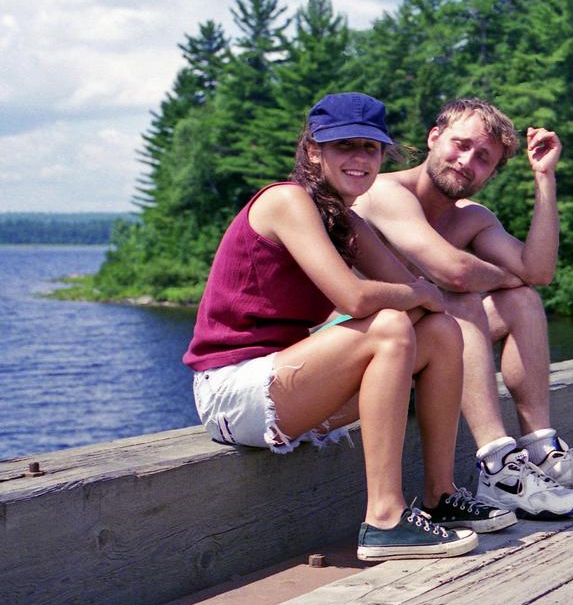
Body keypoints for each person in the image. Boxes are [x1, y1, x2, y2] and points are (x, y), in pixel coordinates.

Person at [183, 92, 515, 563]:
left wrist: (419, 296)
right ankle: (384, 519)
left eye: (371, 148)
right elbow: (355, 297)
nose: (360, 159)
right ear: (314, 150)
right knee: (389, 327)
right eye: (345, 146)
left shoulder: (347, 221)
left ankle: (441, 497)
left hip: (290, 386)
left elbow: (427, 299)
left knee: (441, 333)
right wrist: (415, 295)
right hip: (232, 392)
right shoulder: (287, 201)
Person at [352, 98, 573, 519]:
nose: (466, 161)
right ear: (434, 138)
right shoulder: (384, 192)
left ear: (491, 174)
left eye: (483, 158)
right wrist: (502, 275)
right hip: (364, 353)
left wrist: (544, 177)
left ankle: (541, 452)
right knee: (461, 300)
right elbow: (455, 272)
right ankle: (498, 466)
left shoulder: (472, 218)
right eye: (459, 145)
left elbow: (537, 271)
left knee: (521, 300)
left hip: (428, 355)